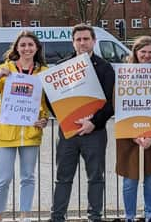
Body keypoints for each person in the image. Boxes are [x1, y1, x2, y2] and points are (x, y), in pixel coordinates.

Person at [0, 30, 50, 222]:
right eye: (23, 45)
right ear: (17, 48)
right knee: (3, 179)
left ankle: (25, 216)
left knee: (28, 177)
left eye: (30, 45)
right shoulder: (4, 68)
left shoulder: (44, 71)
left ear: (37, 48)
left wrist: (44, 118)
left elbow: (45, 104)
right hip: (4, 134)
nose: (27, 48)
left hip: (31, 133)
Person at [49, 24, 116, 222]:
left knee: (95, 177)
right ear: (73, 42)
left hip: (94, 132)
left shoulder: (105, 68)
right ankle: (57, 217)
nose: (82, 43)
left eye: (86, 39)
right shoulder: (61, 67)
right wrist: (64, 117)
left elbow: (110, 104)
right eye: (78, 39)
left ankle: (94, 216)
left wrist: (93, 123)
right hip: (68, 133)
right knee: (63, 177)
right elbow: (51, 100)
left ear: (93, 41)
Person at [116, 36, 151, 222]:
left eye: (150, 52)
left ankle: (150, 215)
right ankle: (129, 216)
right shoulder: (124, 75)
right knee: (130, 180)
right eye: (143, 52)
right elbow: (120, 106)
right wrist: (134, 136)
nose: (146, 55)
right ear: (135, 53)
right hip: (129, 136)